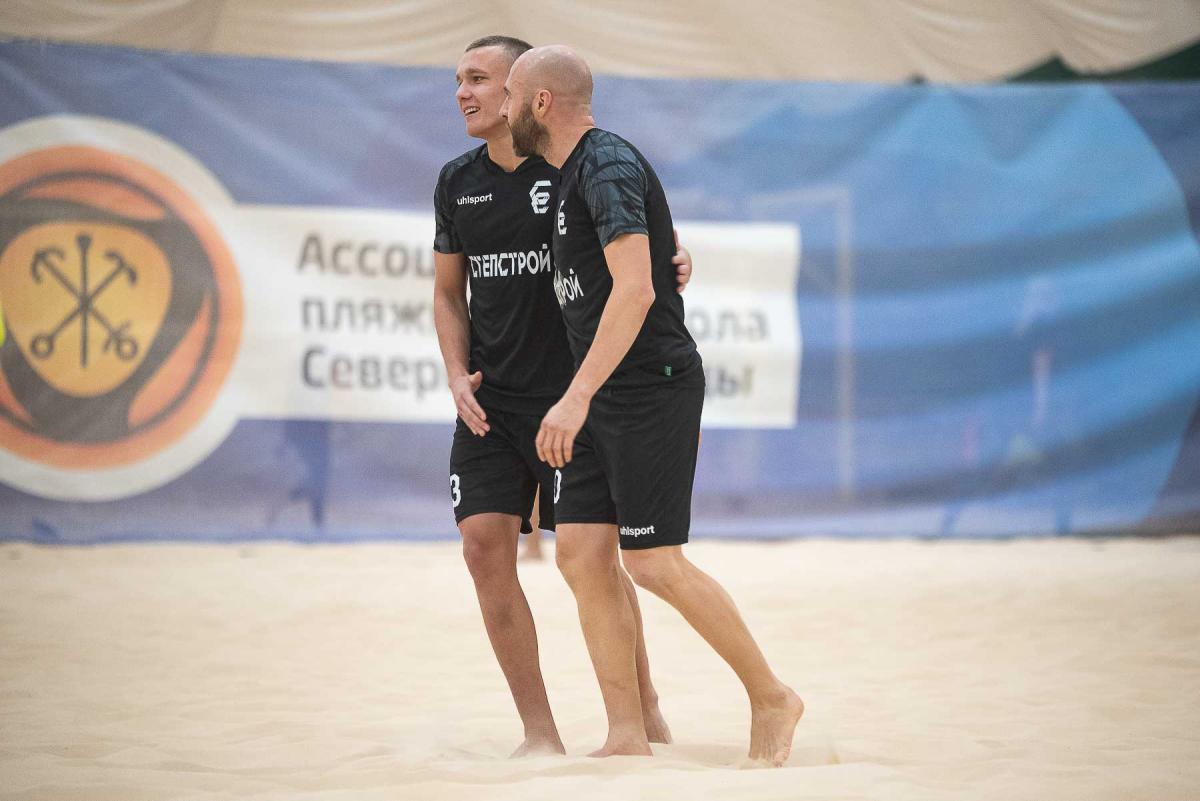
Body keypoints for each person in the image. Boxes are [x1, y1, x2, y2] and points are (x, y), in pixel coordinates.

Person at [500, 44, 804, 766]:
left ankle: (772, 696)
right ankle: (627, 732)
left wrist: (574, 397)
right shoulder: (570, 174)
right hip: (598, 390)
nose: (505, 110)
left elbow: (635, 289)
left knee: (655, 562)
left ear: (540, 102)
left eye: (509, 95)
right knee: (580, 554)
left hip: (647, 385)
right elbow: (640, 260)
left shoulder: (603, 161)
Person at [432, 35, 690, 757]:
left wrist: (676, 255)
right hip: (491, 400)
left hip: (569, 398)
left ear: (523, 92)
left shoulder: (574, 168)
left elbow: (639, 252)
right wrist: (455, 372)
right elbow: (448, 294)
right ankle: (539, 733)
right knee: (483, 547)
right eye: (459, 80)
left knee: (592, 556)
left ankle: (642, 711)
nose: (465, 93)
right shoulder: (456, 182)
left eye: (481, 80)